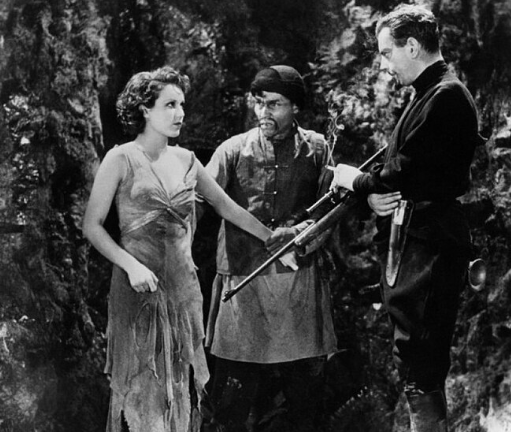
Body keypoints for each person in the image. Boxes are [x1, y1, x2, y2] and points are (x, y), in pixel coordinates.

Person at [82, 66, 277, 432]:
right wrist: (131, 266)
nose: (180, 113)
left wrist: (273, 238)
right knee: (143, 395)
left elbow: (228, 208)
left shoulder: (187, 159)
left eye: (182, 104)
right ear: (144, 109)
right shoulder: (121, 158)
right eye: (169, 105)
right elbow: (91, 226)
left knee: (179, 394)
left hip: (183, 291)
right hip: (139, 290)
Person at [331, 5, 485, 432]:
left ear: (412, 46)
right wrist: (374, 194)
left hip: (431, 246)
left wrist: (357, 181)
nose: (384, 64)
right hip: (418, 240)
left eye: (387, 53)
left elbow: (405, 171)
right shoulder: (429, 93)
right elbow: (405, 173)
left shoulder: (445, 96)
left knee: (422, 357)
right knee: (416, 356)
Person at [202, 65, 338, 432]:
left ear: (296, 107)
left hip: (298, 286)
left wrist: (304, 231)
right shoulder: (232, 150)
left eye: (274, 104)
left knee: (303, 398)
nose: (264, 113)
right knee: (230, 400)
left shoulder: (317, 149)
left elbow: (331, 209)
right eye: (259, 103)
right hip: (243, 284)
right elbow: (197, 199)